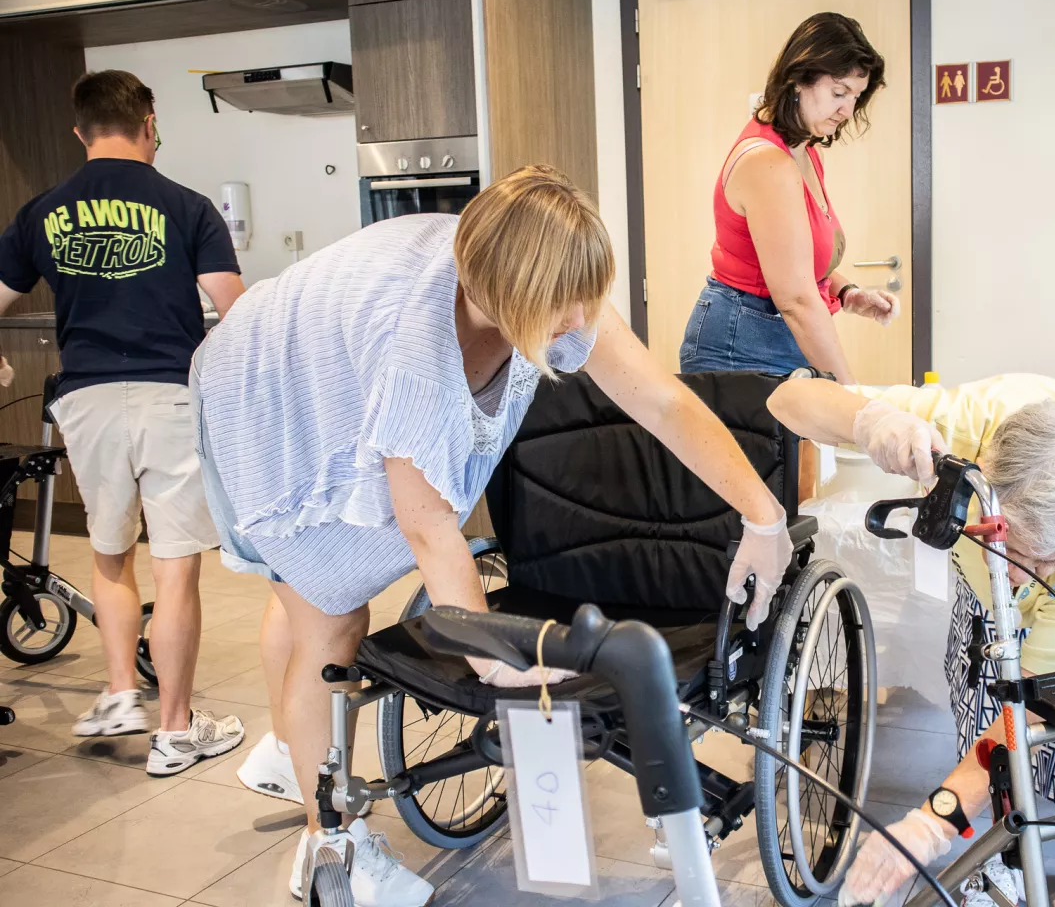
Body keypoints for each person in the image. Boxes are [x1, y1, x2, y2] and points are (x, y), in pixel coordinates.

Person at [196, 165, 795, 906]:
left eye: (586, 296)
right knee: (331, 615)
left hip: (319, 337)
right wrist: (499, 664)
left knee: (300, 595)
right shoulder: (415, 350)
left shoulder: (536, 274)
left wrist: (763, 515)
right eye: (563, 305)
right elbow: (428, 526)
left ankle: (291, 750)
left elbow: (665, 404)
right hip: (259, 389)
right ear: (508, 295)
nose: (580, 319)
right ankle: (328, 846)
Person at [766, 373, 1055, 907]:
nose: (1018, 576)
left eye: (1040, 559)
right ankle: (1001, 852)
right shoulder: (965, 427)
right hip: (987, 567)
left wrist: (933, 823)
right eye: (1009, 551)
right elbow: (787, 399)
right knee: (985, 700)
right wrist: (872, 422)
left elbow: (1031, 704)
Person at [0, 69, 248, 775]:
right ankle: (175, 732)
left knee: (110, 556)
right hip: (173, 397)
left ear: (79, 131)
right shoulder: (188, 206)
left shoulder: (41, 211)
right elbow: (237, 313)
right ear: (149, 123)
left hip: (88, 400)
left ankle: (118, 694)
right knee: (175, 569)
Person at [679, 12, 900, 383]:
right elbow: (796, 300)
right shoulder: (768, 163)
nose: (847, 111)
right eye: (839, 93)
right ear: (799, 78)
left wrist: (848, 293)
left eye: (856, 97)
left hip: (773, 337)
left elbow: (799, 260)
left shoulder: (806, 151)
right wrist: (854, 398)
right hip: (740, 346)